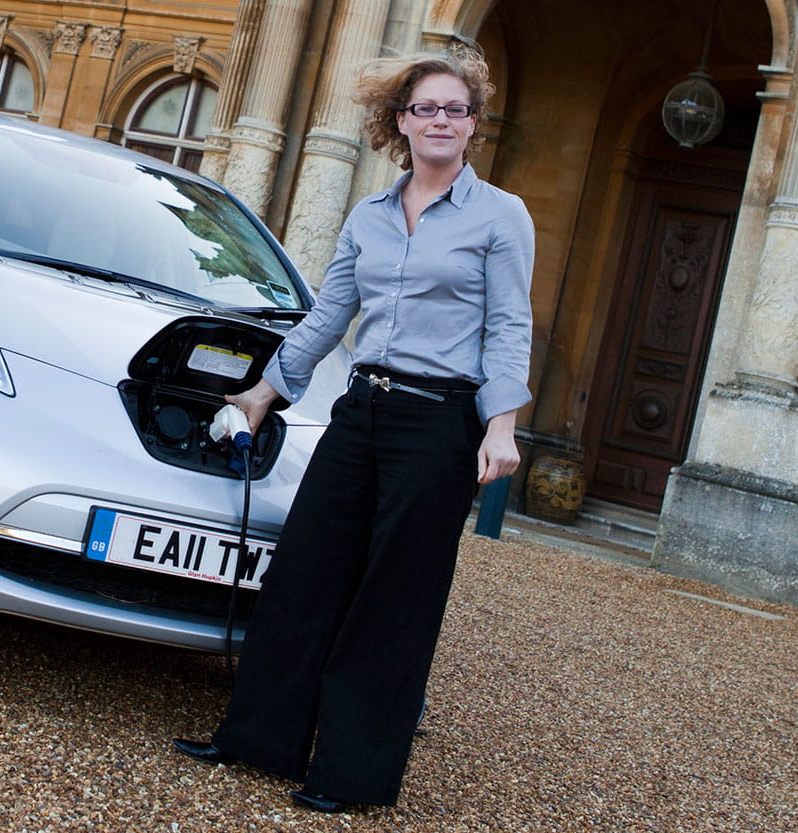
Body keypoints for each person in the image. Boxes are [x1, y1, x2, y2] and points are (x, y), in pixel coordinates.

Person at [170, 50, 535, 813]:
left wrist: (500, 425)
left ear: (474, 125)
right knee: (305, 572)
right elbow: (329, 315)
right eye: (426, 108)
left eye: (456, 110)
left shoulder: (502, 216)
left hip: (440, 423)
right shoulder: (369, 214)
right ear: (401, 121)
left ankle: (351, 774)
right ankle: (258, 739)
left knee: (393, 599)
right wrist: (264, 393)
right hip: (361, 409)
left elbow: (507, 325)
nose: (442, 121)